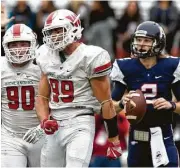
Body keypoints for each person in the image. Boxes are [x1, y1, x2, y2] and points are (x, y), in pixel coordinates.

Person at [35, 9, 122, 167]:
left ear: (73, 28)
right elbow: (42, 97)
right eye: (51, 32)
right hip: (55, 123)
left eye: (58, 30)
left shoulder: (91, 57)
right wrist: (44, 120)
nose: (54, 35)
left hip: (80, 121)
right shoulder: (45, 55)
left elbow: (106, 103)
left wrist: (113, 139)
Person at [110, 21, 180, 167]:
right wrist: (123, 103)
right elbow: (109, 108)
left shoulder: (171, 66)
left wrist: (172, 105)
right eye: (139, 39)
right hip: (137, 135)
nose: (141, 44)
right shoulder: (126, 67)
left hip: (163, 134)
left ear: (158, 43)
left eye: (147, 40)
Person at [1, 23, 44, 167]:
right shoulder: (1, 67)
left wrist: (43, 126)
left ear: (32, 44)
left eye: (23, 43)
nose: (18, 48)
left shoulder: (44, 65)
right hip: (10, 137)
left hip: (42, 134)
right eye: (13, 44)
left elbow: (57, 102)